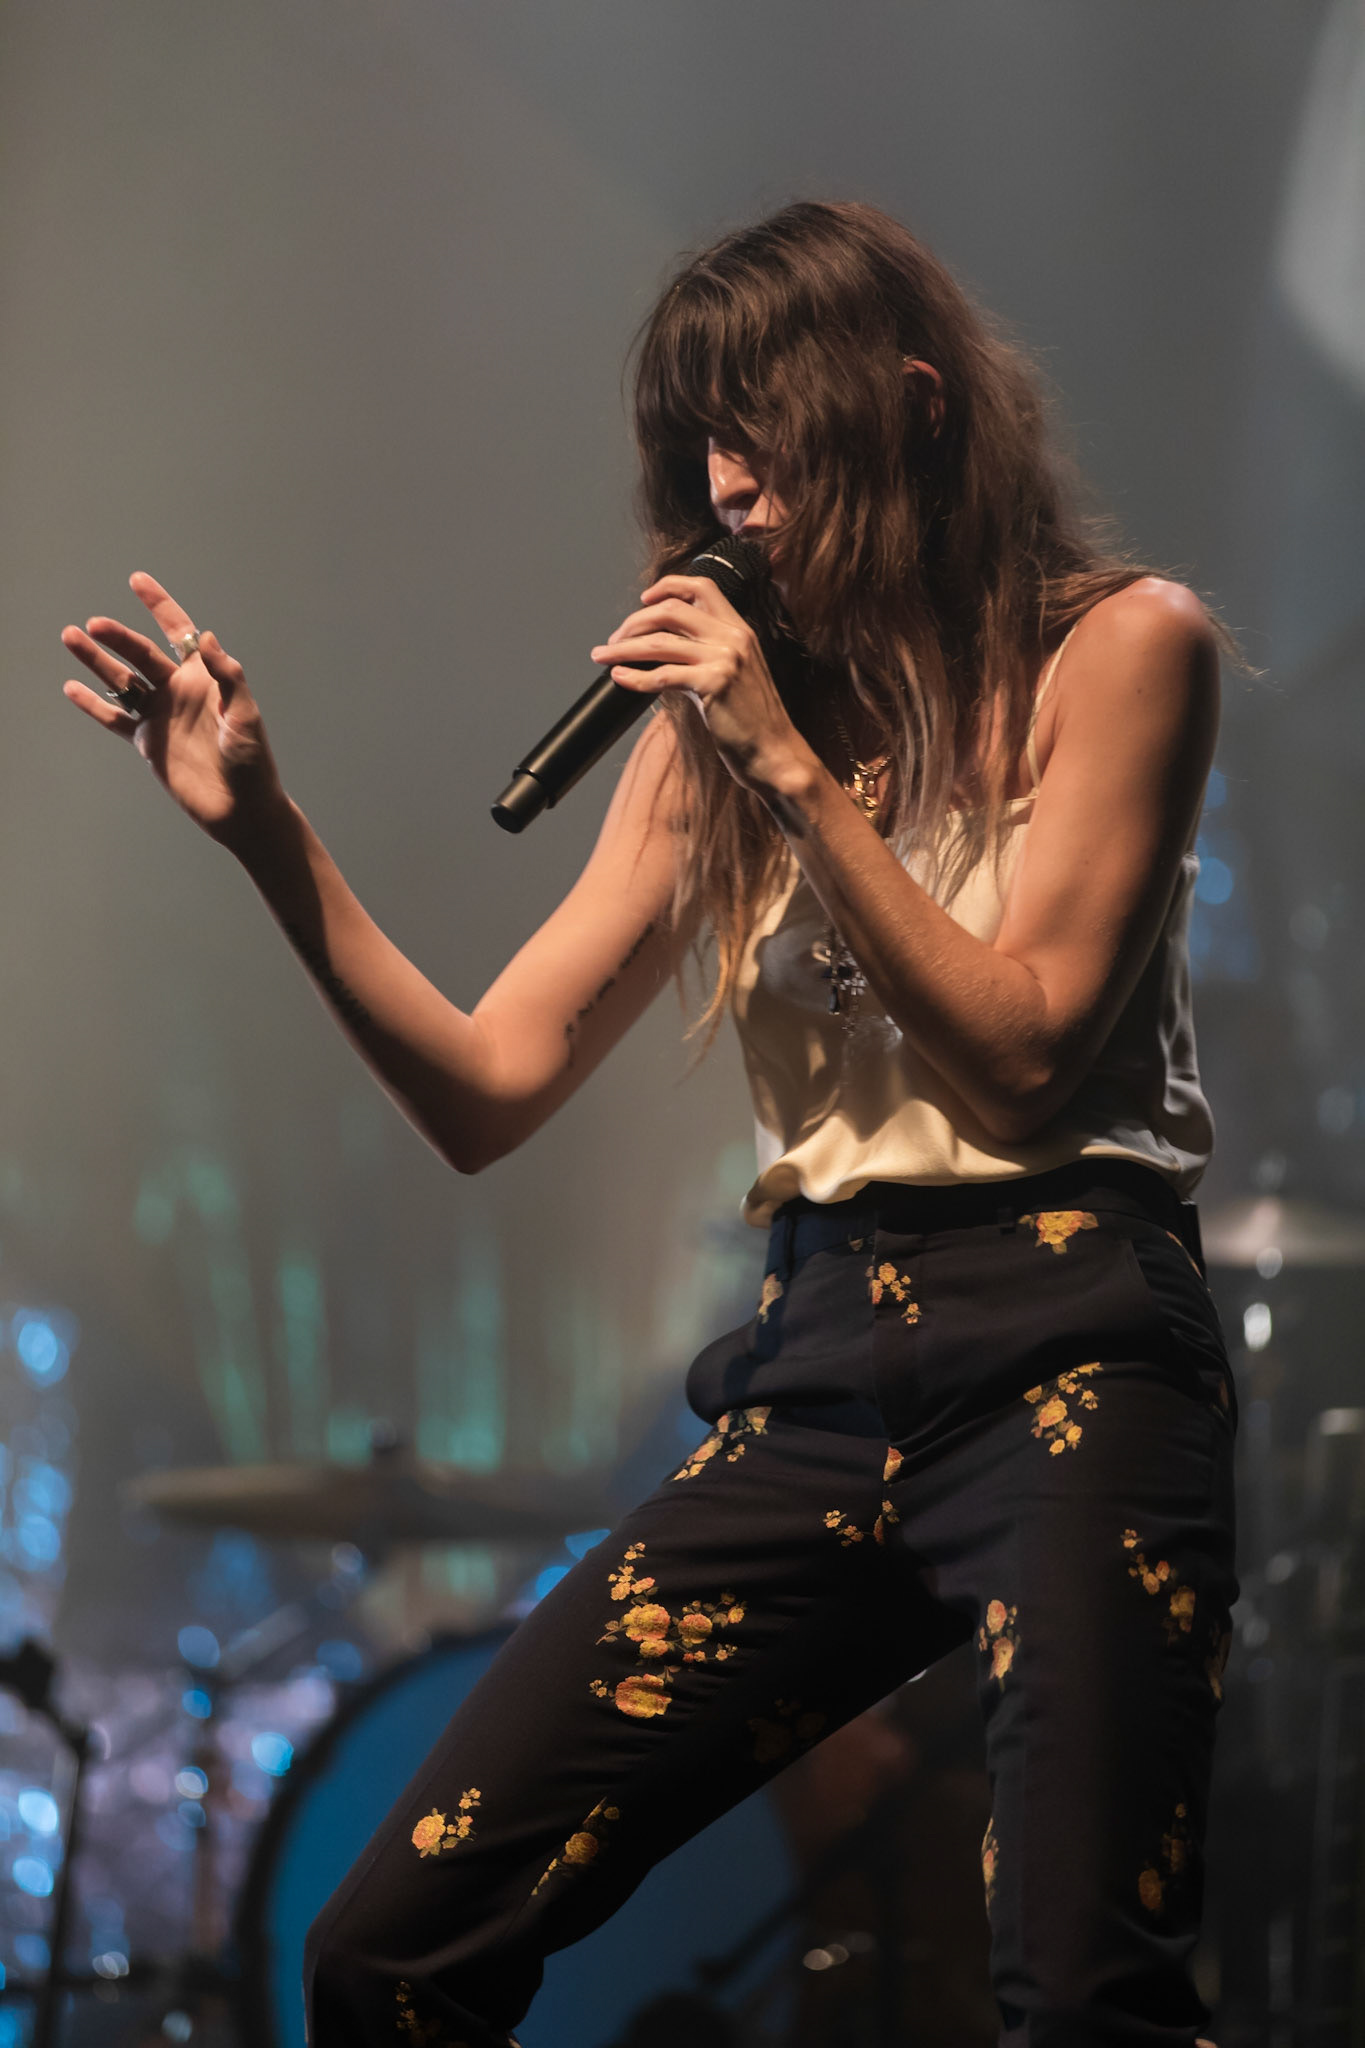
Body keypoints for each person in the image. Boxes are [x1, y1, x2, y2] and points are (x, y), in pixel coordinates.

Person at [62, 200, 1236, 2047]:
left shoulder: (1122, 652)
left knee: (1088, 1998)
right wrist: (263, 834)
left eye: (760, 436)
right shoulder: (708, 750)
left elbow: (1022, 1057)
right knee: (392, 1947)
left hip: (1071, 1347)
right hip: (824, 1362)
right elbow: (486, 1092)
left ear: (913, 410)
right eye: (700, 445)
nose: (723, 490)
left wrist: (785, 764)